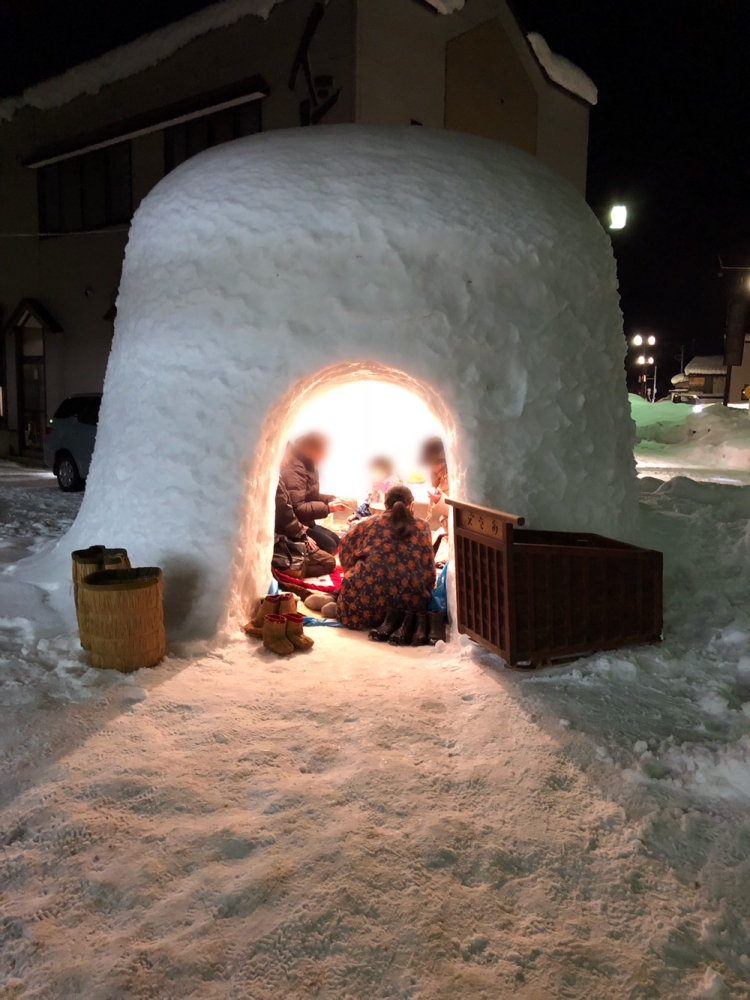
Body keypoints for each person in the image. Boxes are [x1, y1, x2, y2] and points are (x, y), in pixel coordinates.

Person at [324, 484, 435, 634]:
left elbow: (344, 548)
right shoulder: (423, 526)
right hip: (408, 607)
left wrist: (352, 572)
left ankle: (339, 602)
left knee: (355, 587)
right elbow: (429, 570)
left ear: (385, 504)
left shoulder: (368, 523)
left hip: (363, 603)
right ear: (412, 503)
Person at [280, 432, 347, 554]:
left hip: (307, 522)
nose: (325, 456)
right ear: (310, 448)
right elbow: (297, 508)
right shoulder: (295, 469)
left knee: (336, 540)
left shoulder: (308, 464)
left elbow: (309, 494)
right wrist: (327, 508)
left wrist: (329, 499)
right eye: (323, 452)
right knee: (329, 546)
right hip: (294, 526)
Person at [273, 478, 335, 578]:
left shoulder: (308, 468)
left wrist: (330, 499)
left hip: (298, 525)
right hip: (285, 535)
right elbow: (291, 513)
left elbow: (312, 495)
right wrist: (301, 533)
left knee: (334, 543)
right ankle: (286, 570)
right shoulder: (288, 474)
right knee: (329, 559)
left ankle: (288, 567)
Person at [347, 456, 402, 522]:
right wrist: (356, 515)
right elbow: (368, 504)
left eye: (378, 472)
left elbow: (390, 511)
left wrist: (368, 520)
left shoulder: (393, 487)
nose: (373, 476)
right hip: (372, 518)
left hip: (387, 521)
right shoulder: (375, 484)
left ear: (385, 472)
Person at [420, 436, 450, 534]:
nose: (431, 467)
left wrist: (439, 501)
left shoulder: (452, 479)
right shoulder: (437, 478)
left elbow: (461, 513)